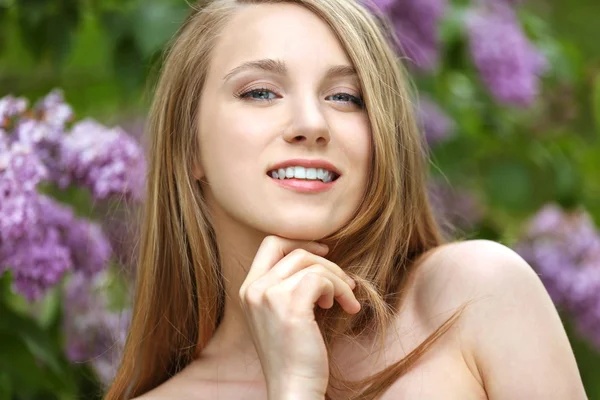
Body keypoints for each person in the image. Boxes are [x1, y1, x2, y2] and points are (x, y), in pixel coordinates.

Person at [105, 0, 588, 399]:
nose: (312, 124)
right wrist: (295, 389)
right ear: (190, 147)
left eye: (345, 97)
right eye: (260, 92)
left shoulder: (476, 296)